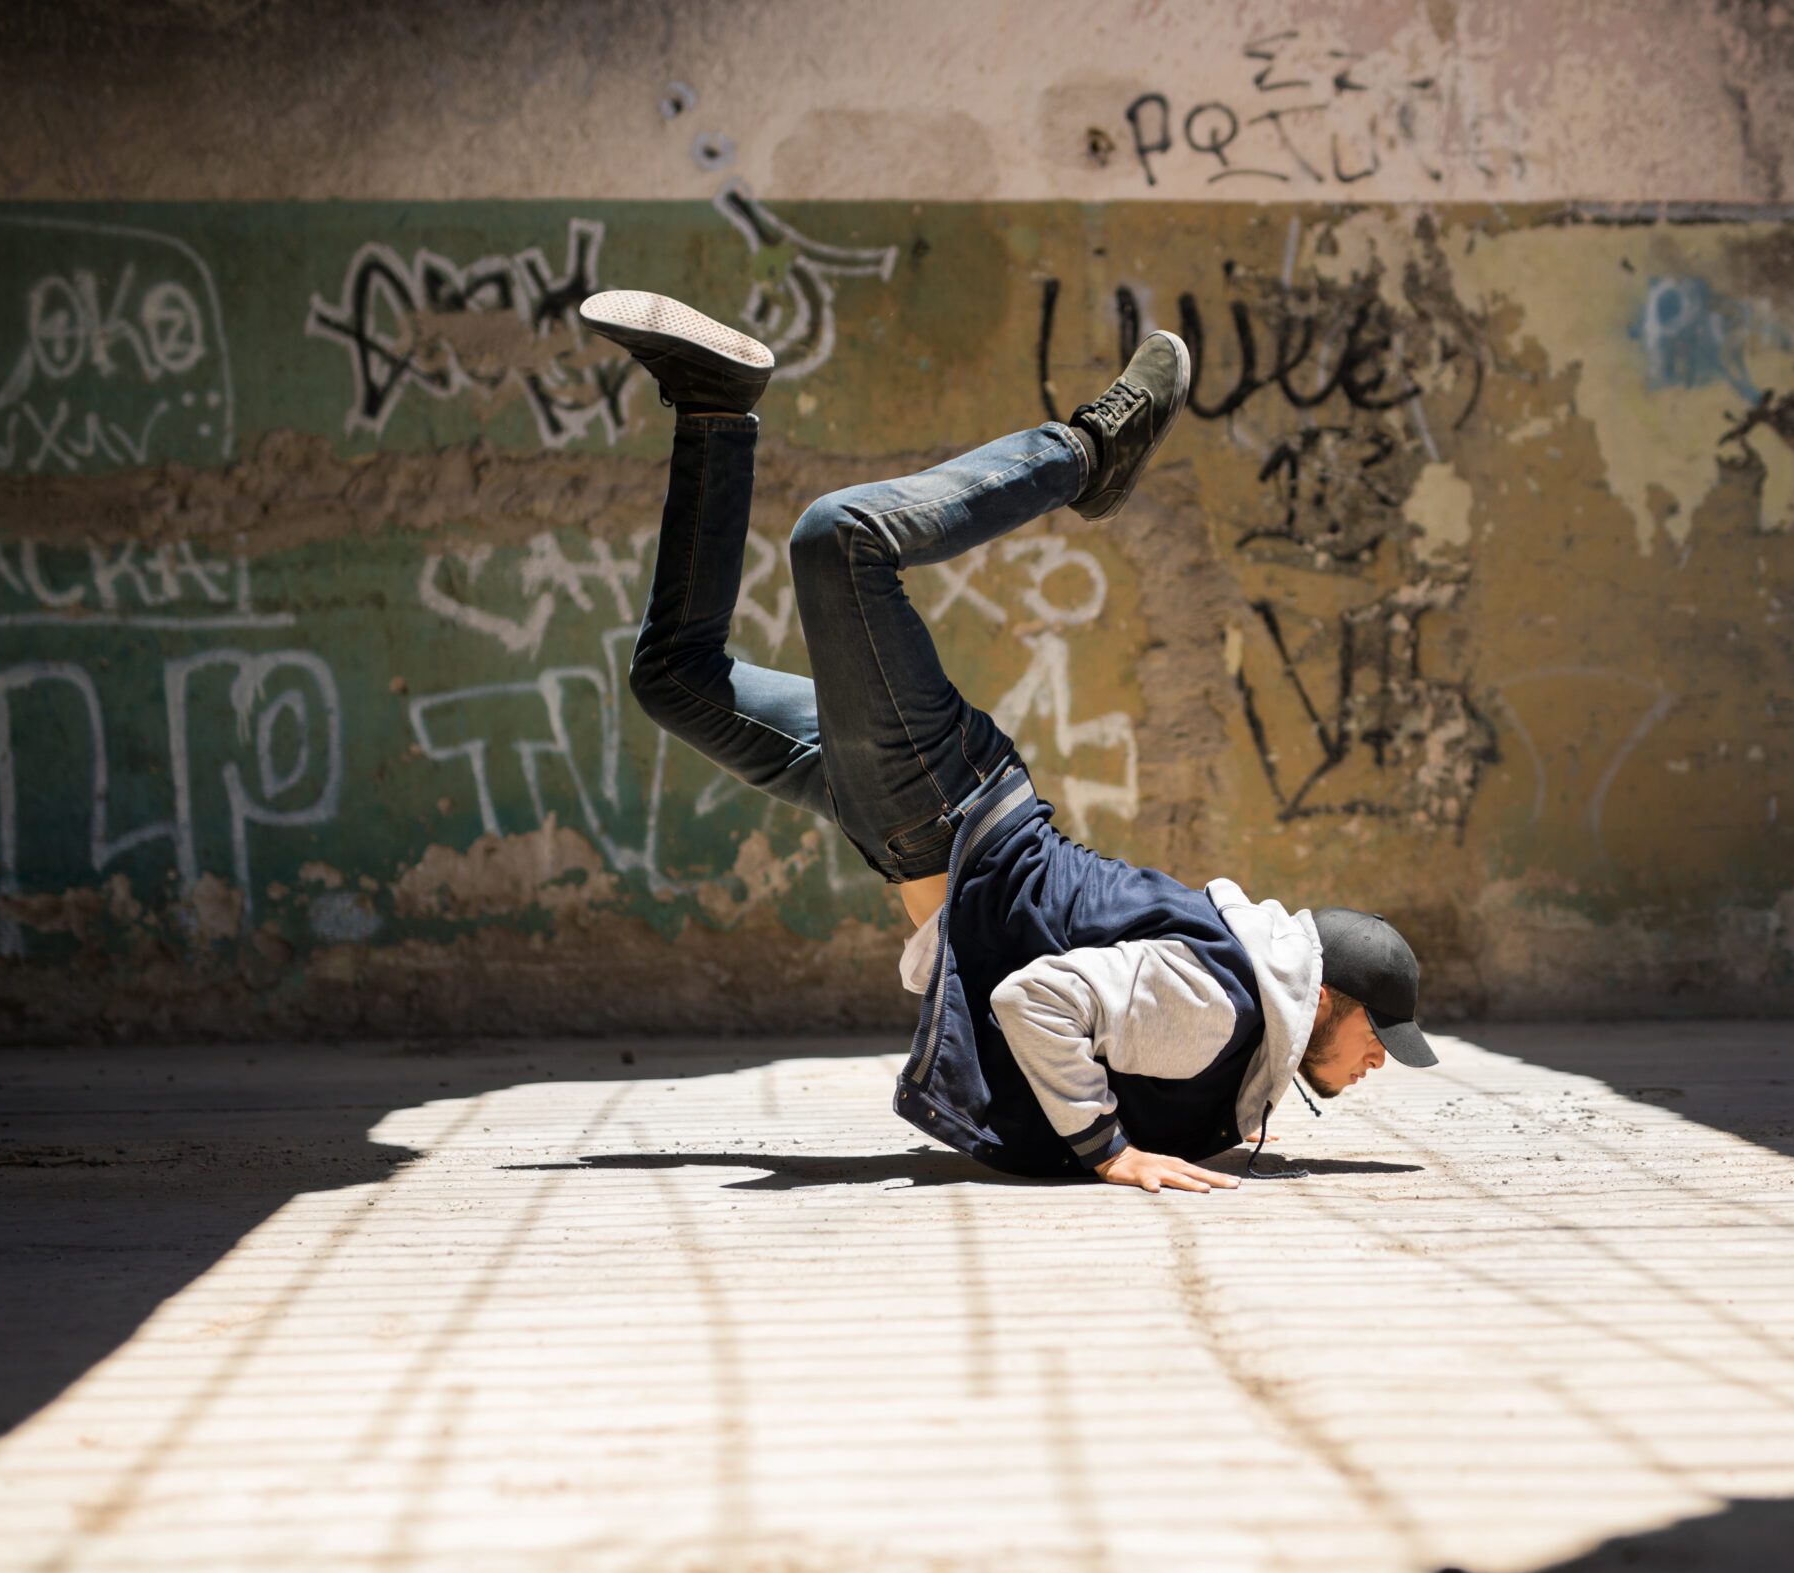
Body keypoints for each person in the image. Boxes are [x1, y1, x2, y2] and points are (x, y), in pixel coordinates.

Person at [580, 289, 1437, 1193]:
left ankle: (714, 406)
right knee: (844, 540)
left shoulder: (1236, 1040)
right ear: (1326, 999)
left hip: (917, 819)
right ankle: (1088, 454)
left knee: (674, 678)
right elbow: (1033, 999)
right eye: (1378, 1034)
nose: (1381, 1061)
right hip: (944, 805)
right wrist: (1109, 1151)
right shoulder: (1219, 1008)